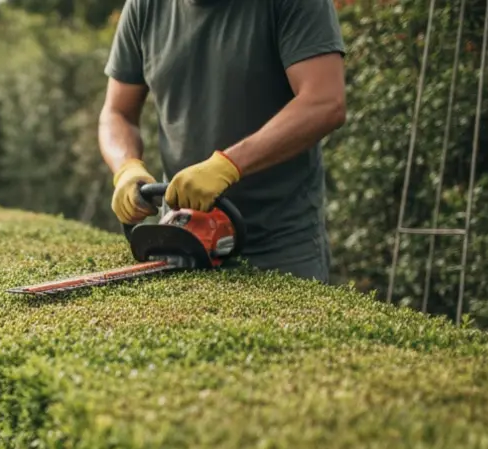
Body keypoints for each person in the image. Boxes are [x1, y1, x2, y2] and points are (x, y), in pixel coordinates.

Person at [98, 0, 348, 282]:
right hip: (184, 237)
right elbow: (117, 112)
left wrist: (228, 166)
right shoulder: (145, 6)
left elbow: (325, 102)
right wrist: (126, 168)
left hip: (279, 244)